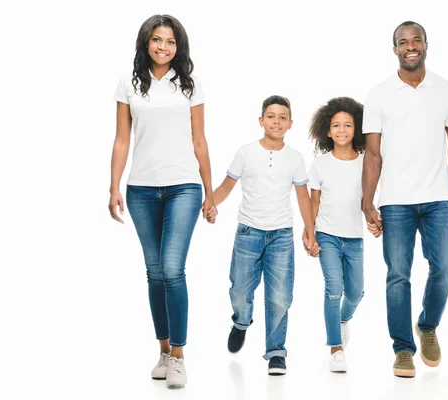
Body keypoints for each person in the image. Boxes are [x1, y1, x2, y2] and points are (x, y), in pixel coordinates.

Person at [107, 14, 217, 387]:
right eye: (157, 40)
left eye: (170, 41)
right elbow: (122, 139)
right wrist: (114, 187)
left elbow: (199, 140)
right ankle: (164, 350)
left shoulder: (190, 86)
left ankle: (180, 357)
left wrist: (210, 191)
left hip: (184, 187)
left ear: (178, 46)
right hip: (141, 190)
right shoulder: (128, 85)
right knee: (154, 273)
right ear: (146, 42)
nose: (163, 47)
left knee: (172, 268)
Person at [362, 21, 448, 378]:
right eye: (403, 42)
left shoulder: (446, 90)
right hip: (395, 201)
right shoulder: (379, 94)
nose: (410, 46)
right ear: (394, 49)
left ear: (426, 45)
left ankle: (427, 325)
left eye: (416, 40)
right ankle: (402, 349)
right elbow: (373, 154)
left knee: (443, 270)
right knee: (398, 276)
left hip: (438, 198)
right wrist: (367, 200)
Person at [212, 95, 319, 376]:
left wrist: (310, 231)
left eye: (282, 117)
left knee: (280, 296)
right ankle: (241, 321)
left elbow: (303, 197)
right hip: (248, 232)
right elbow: (226, 186)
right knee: (239, 291)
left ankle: (276, 351)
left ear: (290, 123)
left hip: (281, 235)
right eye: (271, 116)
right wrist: (210, 204)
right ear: (261, 121)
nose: (276, 121)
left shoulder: (295, 158)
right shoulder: (246, 153)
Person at [307, 97, 366, 373]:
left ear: (357, 129)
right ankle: (335, 348)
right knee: (334, 289)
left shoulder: (366, 163)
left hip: (355, 237)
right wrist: (309, 232)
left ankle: (343, 319)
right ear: (327, 131)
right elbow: (314, 202)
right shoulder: (320, 164)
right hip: (327, 234)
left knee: (354, 293)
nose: (342, 130)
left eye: (348, 125)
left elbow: (370, 198)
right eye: (336, 126)